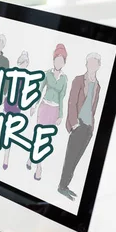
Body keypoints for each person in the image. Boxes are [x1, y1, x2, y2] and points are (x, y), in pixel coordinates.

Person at [57, 52, 102, 201]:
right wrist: (74, 123)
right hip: (78, 125)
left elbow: (93, 107)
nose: (92, 65)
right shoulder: (78, 80)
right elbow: (71, 102)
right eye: (90, 62)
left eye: (95, 63)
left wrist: (91, 128)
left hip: (88, 128)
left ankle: (65, 186)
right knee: (70, 158)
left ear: (99, 66)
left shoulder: (98, 86)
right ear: (86, 64)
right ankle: (61, 186)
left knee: (76, 159)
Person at [28, 44, 68, 181]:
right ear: (53, 60)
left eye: (62, 60)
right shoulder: (47, 74)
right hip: (44, 107)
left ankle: (31, 157)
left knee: (45, 139)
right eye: (57, 59)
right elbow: (39, 91)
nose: (59, 62)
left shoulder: (64, 79)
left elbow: (62, 98)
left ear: (64, 62)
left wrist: (61, 115)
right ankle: (38, 167)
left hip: (54, 110)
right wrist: (34, 105)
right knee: (39, 135)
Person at [2, 51, 30, 170]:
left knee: (11, 132)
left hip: (17, 107)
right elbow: (6, 88)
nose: (23, 65)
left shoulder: (27, 78)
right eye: (22, 62)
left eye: (25, 63)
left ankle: (6, 158)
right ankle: (5, 157)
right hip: (9, 105)